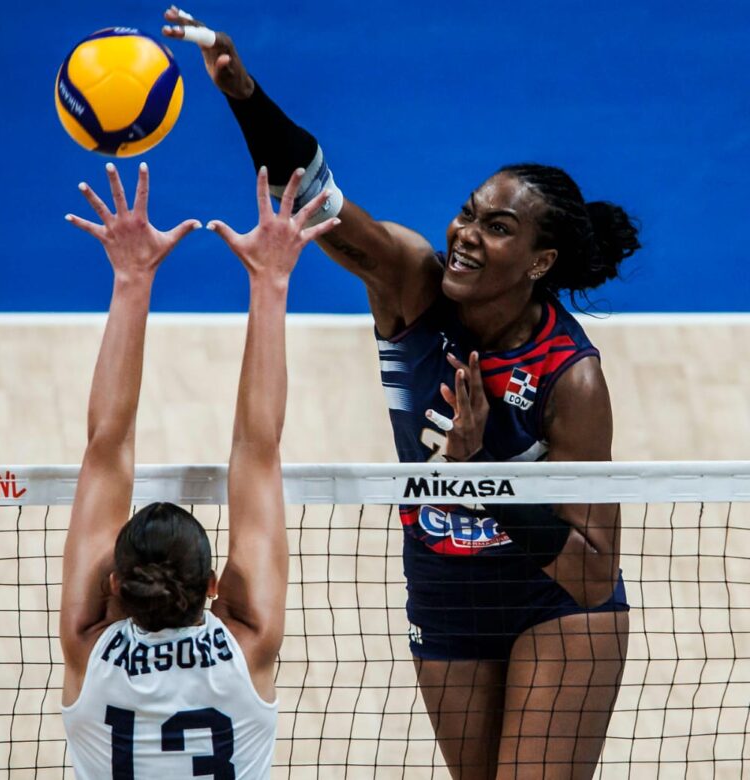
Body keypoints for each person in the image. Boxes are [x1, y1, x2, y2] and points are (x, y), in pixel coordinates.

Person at [164, 7, 637, 778]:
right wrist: (243, 92)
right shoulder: (412, 287)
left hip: (553, 605)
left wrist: (480, 474)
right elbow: (321, 205)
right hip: (446, 586)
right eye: (467, 213)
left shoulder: (570, 377)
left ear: (541, 261)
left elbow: (590, 570)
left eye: (497, 228)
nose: (465, 234)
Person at [58, 161, 339, 778]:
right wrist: (272, 281)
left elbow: (108, 446)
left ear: (114, 586)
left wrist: (131, 279)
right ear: (214, 586)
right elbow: (257, 448)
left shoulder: (91, 648)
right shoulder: (248, 643)